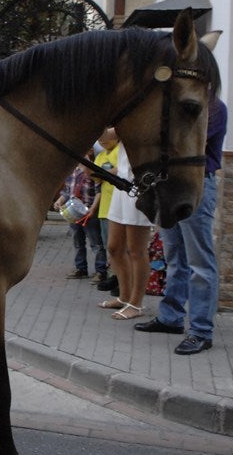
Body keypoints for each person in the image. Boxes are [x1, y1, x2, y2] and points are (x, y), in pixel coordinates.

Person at [135, 97, 228, 355]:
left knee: (200, 262)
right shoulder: (175, 107)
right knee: (175, 257)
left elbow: (182, 143)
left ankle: (200, 330)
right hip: (169, 186)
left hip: (196, 184)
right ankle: (171, 317)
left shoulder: (215, 109)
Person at [98, 128, 153, 321]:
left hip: (139, 186)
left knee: (136, 250)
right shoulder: (123, 123)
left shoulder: (138, 121)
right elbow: (104, 135)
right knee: (114, 247)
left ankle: (136, 304)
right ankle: (124, 296)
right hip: (121, 186)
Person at [54, 154, 106, 282]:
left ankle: (101, 270)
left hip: (88, 212)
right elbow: (67, 192)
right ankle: (80, 268)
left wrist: (93, 209)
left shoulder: (92, 170)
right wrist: (59, 201)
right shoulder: (72, 171)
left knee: (96, 243)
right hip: (74, 212)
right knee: (77, 241)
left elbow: (99, 191)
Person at [94, 128, 120, 291]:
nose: (102, 143)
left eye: (105, 140)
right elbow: (95, 175)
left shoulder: (119, 151)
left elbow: (119, 171)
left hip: (117, 205)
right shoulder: (101, 155)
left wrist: (103, 173)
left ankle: (121, 279)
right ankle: (114, 275)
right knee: (109, 246)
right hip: (105, 208)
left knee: (120, 247)